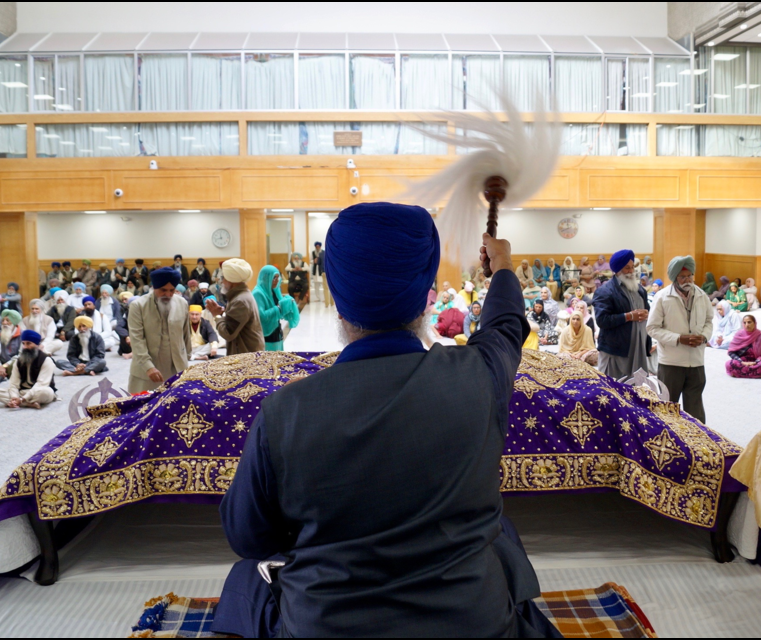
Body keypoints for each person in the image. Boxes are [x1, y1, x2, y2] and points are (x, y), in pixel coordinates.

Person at [214, 201, 556, 638]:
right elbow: (506, 325)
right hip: (472, 623)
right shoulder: (478, 376)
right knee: (500, 535)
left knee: (245, 577)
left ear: (336, 296)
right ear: (426, 292)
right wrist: (503, 268)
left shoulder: (285, 412)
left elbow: (249, 538)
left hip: (328, 625)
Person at [646, 256, 713, 423]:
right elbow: (652, 328)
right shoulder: (662, 297)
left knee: (695, 411)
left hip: (696, 361)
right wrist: (678, 338)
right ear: (675, 277)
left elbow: (709, 321)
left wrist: (704, 336)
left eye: (690, 276)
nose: (688, 280)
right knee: (668, 409)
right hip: (671, 363)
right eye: (683, 277)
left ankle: (699, 445)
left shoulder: (701, 295)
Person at [128, 267, 192, 393]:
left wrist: (187, 356)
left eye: (171, 290)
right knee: (144, 408)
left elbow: (186, 333)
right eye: (163, 290)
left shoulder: (182, 303)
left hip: (177, 367)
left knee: (176, 408)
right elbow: (137, 339)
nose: (167, 294)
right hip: (146, 369)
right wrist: (148, 367)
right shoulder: (138, 306)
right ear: (154, 287)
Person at [594, 249, 652, 378]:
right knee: (613, 390)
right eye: (627, 268)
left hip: (638, 347)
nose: (631, 271)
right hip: (616, 350)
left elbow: (647, 311)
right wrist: (629, 316)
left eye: (632, 267)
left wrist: (646, 315)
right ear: (618, 270)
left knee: (637, 388)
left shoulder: (640, 290)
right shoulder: (605, 291)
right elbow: (602, 320)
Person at [205, 259, 265, 356]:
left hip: (246, 358)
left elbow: (228, 333)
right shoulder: (239, 296)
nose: (222, 281)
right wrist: (222, 314)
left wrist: (217, 316)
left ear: (231, 281)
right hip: (246, 354)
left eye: (223, 278)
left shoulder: (240, 301)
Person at [0, 330, 58, 409]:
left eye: (28, 343)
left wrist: (23, 399)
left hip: (38, 391)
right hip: (22, 391)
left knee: (46, 393)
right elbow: (13, 384)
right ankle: (28, 403)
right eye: (23, 343)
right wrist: (14, 397)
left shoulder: (46, 360)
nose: (25, 347)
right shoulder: (18, 361)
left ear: (37, 345)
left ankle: (20, 402)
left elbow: (41, 384)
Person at [253, 265, 300, 352]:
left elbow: (281, 305)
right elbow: (261, 316)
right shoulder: (258, 293)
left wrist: (288, 303)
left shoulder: (274, 290)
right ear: (266, 277)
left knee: (278, 360)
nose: (277, 281)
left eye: (278, 277)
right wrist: (279, 308)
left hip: (276, 330)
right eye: (274, 278)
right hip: (266, 335)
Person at [0, 309, 23, 378]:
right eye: (3, 320)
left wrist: (5, 366)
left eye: (7, 320)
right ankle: (0, 374)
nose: (4, 323)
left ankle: (0, 375)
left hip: (13, 362)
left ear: (14, 322)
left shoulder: (22, 335)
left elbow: (20, 355)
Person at [116, 290, 133, 359]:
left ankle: (133, 354)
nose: (124, 301)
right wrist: (126, 336)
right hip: (129, 341)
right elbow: (119, 326)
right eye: (122, 300)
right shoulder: (127, 313)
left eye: (125, 299)